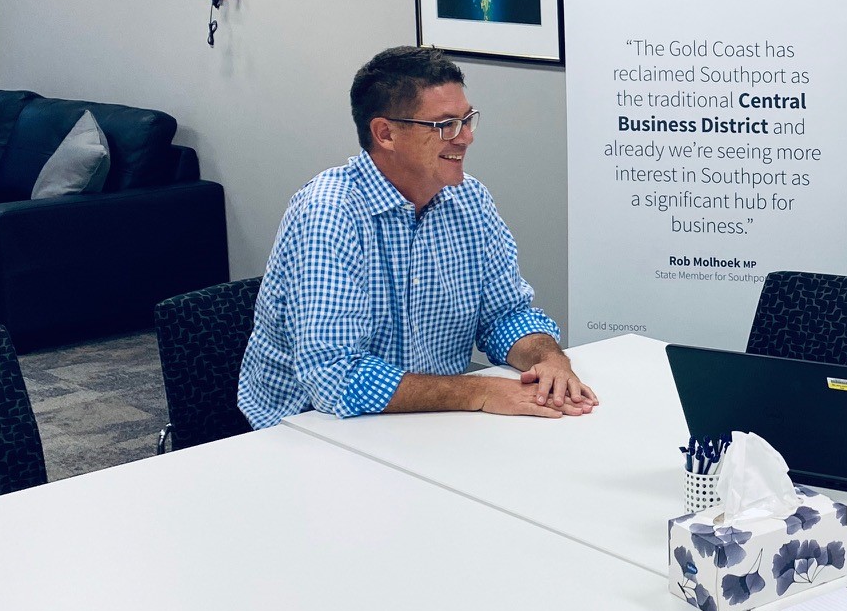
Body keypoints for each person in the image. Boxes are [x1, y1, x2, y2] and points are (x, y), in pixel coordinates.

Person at [237, 46, 597, 429]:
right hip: (309, 431)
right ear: (386, 134)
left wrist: (548, 358)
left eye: (467, 120)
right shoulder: (329, 213)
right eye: (446, 126)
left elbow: (504, 315)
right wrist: (480, 392)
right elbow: (334, 376)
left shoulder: (470, 199)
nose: (466, 138)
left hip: (427, 420)